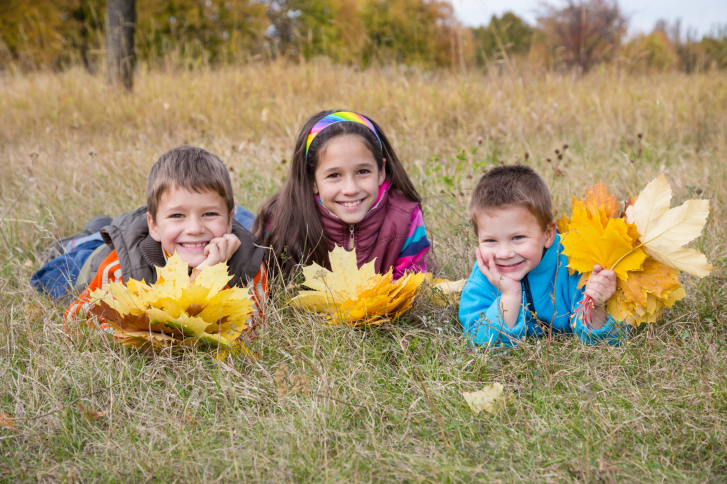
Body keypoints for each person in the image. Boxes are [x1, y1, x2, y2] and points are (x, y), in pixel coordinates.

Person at [64, 145, 268, 330]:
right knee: (60, 269)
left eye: (209, 214)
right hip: (91, 260)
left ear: (230, 221)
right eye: (177, 215)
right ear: (154, 226)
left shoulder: (248, 264)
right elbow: (75, 322)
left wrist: (210, 278)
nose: (195, 228)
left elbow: (250, 332)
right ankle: (80, 239)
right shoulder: (123, 266)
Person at [458, 165, 628, 347]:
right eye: (490, 241)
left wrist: (596, 305)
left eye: (518, 237)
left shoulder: (574, 263)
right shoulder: (484, 277)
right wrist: (509, 295)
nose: (504, 254)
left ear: (548, 234)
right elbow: (480, 342)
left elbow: (606, 343)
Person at [253, 110, 430, 279]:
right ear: (312, 181)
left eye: (362, 171)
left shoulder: (405, 217)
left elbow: (412, 283)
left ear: (381, 171)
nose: (350, 189)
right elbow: (266, 280)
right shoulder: (283, 218)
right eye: (334, 175)